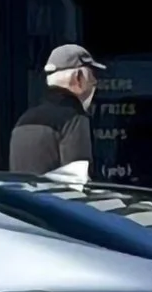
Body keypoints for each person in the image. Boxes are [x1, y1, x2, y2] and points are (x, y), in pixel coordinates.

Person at [9, 41, 102, 185]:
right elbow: (77, 183)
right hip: (54, 204)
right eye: (92, 74)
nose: (94, 81)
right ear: (78, 77)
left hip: (26, 205)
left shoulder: (24, 119)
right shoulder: (74, 118)